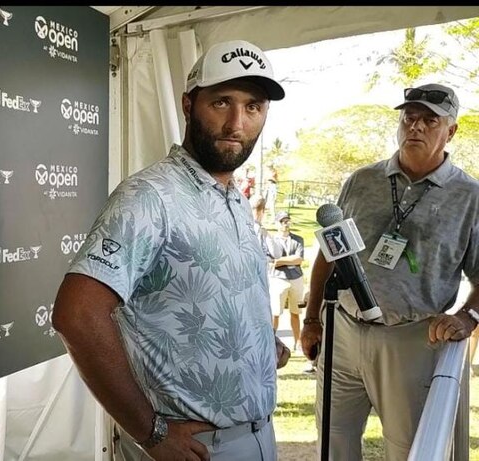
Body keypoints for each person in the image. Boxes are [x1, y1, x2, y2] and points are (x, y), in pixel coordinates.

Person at [51, 39, 289, 461]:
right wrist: (153, 433)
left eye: (253, 106)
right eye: (221, 102)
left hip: (255, 434)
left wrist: (261, 343)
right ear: (188, 104)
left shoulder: (232, 196)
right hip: (198, 448)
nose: (237, 122)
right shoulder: (150, 196)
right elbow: (77, 314)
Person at [300, 83, 479, 460]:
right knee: (332, 443)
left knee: (410, 449)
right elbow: (329, 254)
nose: (415, 126)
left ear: (451, 131)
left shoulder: (470, 196)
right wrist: (313, 317)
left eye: (430, 120)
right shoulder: (362, 181)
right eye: (408, 117)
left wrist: (468, 316)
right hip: (343, 332)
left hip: (412, 339)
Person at [265, 211, 305, 352]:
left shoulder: (298, 240)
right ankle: (271, 343)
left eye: (287, 220)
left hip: (296, 279)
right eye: (282, 221)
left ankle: (298, 342)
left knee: (296, 312)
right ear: (277, 223)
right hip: (278, 279)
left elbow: (299, 259)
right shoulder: (271, 241)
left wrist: (280, 261)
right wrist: (288, 261)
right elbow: (270, 262)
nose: (285, 224)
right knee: (275, 312)